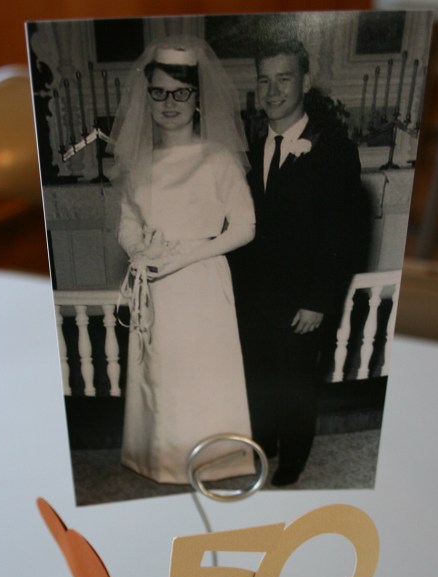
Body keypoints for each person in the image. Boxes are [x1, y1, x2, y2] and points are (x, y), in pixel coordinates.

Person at [112, 38, 255, 484]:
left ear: (197, 98)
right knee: (162, 376)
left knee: (204, 372)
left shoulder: (218, 159)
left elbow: (245, 227)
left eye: (181, 92)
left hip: (202, 284)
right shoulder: (138, 165)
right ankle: (163, 461)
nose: (169, 103)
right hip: (156, 286)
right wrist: (141, 251)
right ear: (146, 95)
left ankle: (217, 460)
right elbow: (127, 223)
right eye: (159, 92)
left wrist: (185, 254)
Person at [233, 38, 366, 487]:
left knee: (295, 386)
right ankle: (264, 443)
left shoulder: (334, 152)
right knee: (260, 380)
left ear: (305, 82)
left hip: (302, 301)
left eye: (284, 79)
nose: (272, 91)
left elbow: (342, 237)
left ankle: (292, 460)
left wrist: (318, 301)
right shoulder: (251, 149)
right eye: (264, 80)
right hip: (255, 298)